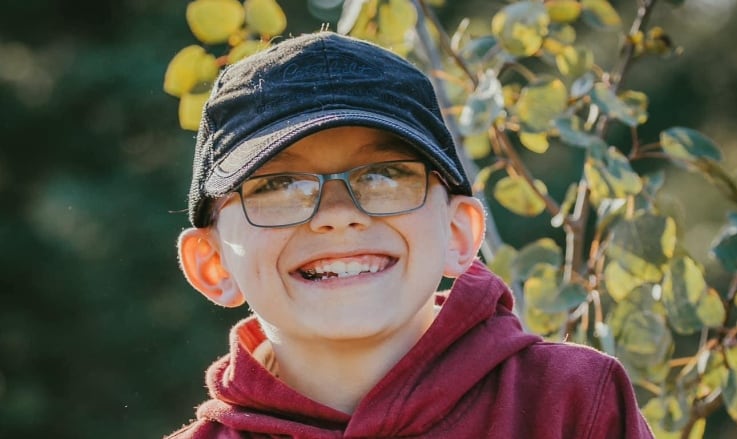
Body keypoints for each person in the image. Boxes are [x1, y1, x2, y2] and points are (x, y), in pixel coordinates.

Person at [167, 31, 655, 438]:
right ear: (213, 264)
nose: (337, 216)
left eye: (383, 176)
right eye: (278, 185)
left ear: (459, 234)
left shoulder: (572, 403)